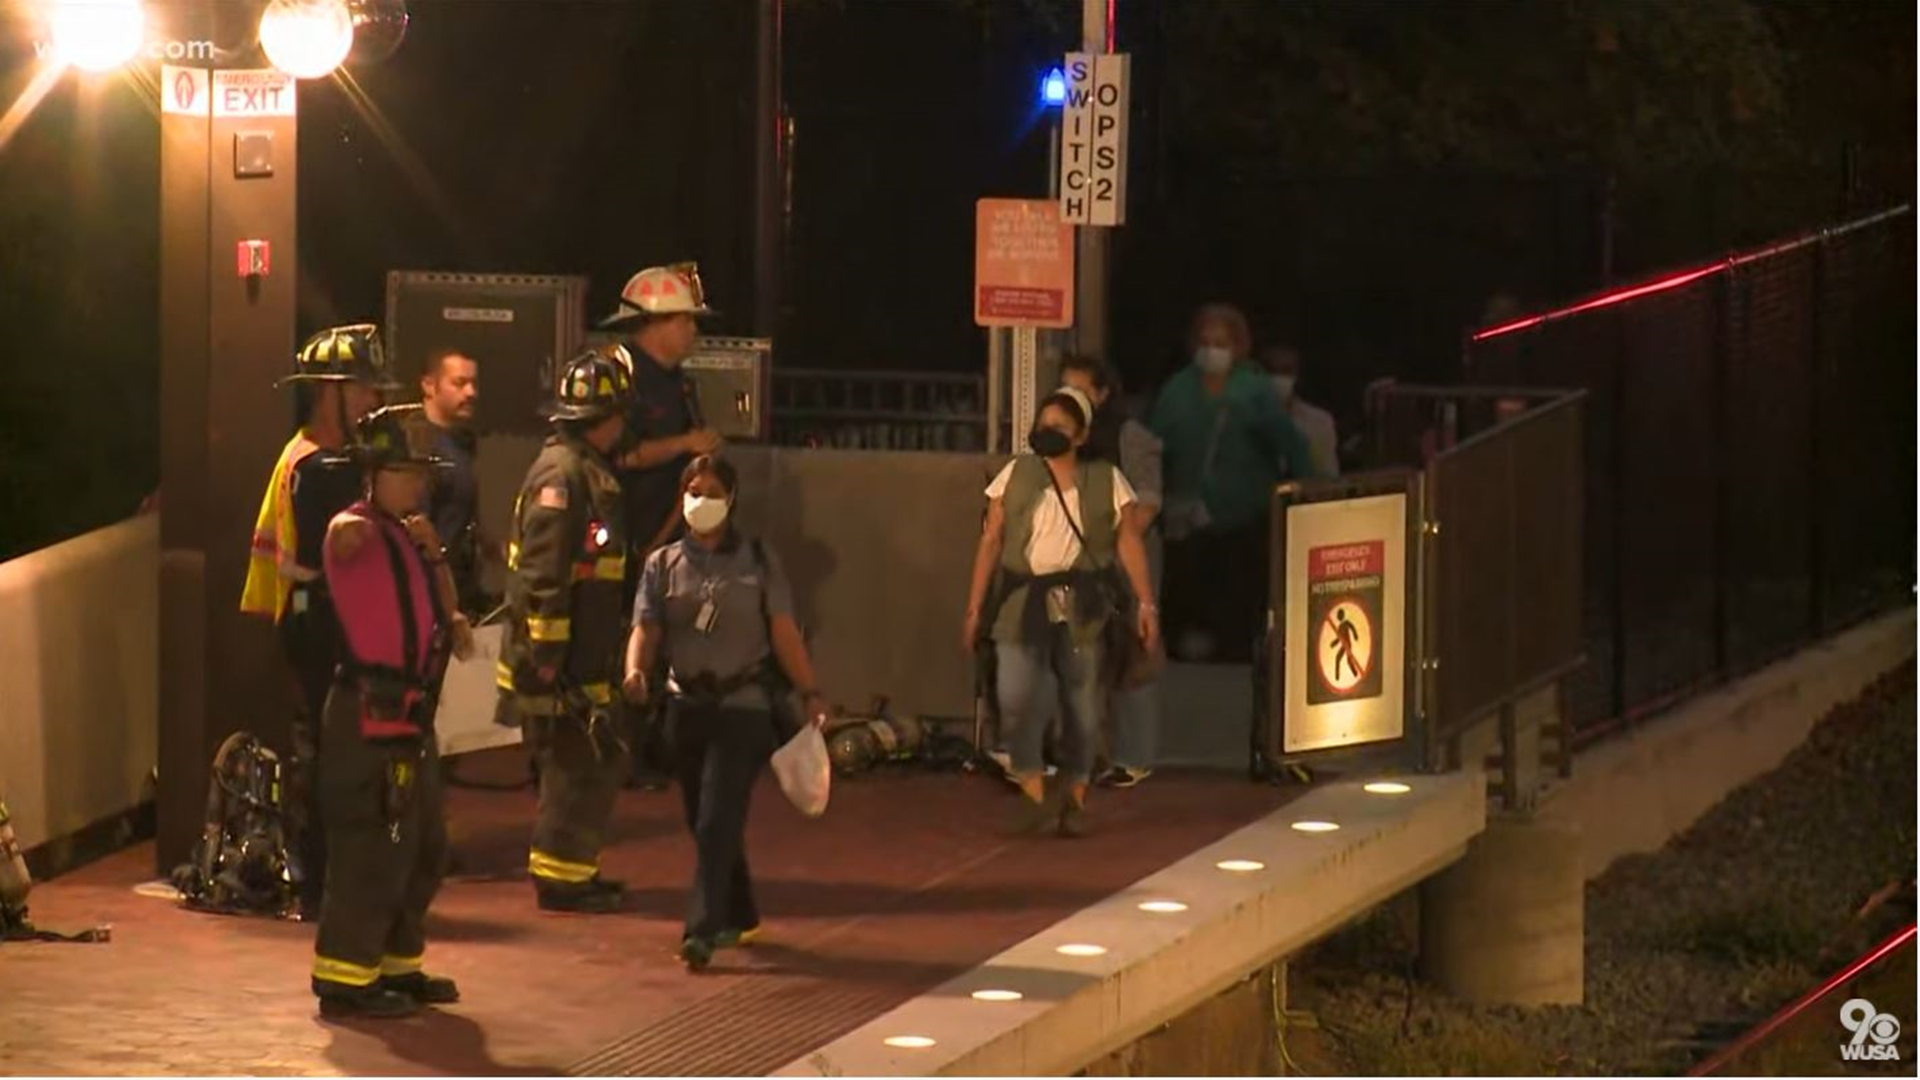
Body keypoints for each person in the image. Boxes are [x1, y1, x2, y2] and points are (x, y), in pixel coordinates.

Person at [624, 455, 830, 971]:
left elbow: (783, 630)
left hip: (744, 707)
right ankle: (740, 910)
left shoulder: (758, 560)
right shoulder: (662, 564)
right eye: (694, 490)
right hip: (686, 705)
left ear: (731, 499)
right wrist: (635, 670)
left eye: (712, 491)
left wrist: (809, 690)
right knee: (702, 819)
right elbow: (646, 627)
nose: (702, 500)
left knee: (718, 816)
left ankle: (702, 928)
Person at [308, 405, 473, 1019]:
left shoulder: (412, 534)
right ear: (373, 473)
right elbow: (340, 540)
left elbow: (446, 610)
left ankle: (397, 963)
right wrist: (353, 517)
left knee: (422, 843)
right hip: (365, 715)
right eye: (403, 471)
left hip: (410, 718)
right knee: (370, 846)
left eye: (420, 473)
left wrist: (435, 556)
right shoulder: (352, 527)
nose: (417, 483)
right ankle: (346, 979)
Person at [240, 322, 399, 917]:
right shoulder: (321, 468)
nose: (371, 399)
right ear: (326, 392)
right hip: (320, 621)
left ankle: (329, 878)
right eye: (359, 387)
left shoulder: (319, 459)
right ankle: (323, 881)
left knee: (331, 748)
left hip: (319, 617)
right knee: (331, 752)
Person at [963, 387, 1158, 837]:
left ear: (1082, 435)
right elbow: (991, 540)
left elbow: (1128, 542)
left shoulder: (1105, 479)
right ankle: (1033, 790)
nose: (1048, 434)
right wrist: (974, 607)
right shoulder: (1017, 474)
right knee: (1013, 697)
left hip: (1082, 604)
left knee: (1082, 703)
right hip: (1020, 600)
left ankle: (1075, 796)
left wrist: (1147, 604)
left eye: (1060, 428)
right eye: (1044, 425)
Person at [495, 346, 634, 914]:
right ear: (606, 418)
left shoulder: (584, 469)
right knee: (574, 767)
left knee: (593, 761)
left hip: (583, 652)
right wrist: (549, 658)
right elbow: (544, 576)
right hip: (560, 658)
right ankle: (560, 880)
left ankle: (576, 868)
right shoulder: (563, 475)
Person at [599, 263, 725, 790]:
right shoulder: (618, 375)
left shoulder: (677, 383)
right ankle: (612, 753)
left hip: (667, 540)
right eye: (685, 320)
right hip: (623, 540)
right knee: (617, 651)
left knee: (659, 646)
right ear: (653, 323)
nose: (694, 331)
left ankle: (649, 747)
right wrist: (683, 446)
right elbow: (616, 454)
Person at [1151, 303, 1317, 663]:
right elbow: (1155, 446)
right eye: (1206, 341)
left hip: (1243, 514)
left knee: (1238, 587)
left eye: (1222, 342)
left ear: (1239, 346)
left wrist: (1314, 493)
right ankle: (1184, 641)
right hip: (1187, 514)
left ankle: (1235, 645)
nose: (1213, 350)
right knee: (1186, 582)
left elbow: (1291, 444)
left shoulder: (1254, 391)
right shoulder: (1177, 391)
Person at [1060, 355, 1165, 790]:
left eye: (1081, 390)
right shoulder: (1065, 436)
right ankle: (1090, 753)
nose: (1071, 398)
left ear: (1102, 394)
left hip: (1126, 555)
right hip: (1079, 558)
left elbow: (1148, 501)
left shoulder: (1129, 436)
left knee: (1132, 651)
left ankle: (1134, 756)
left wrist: (1113, 546)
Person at [405, 348, 490, 616]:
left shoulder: (460, 444)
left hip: (459, 593)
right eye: (459, 383)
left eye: (474, 384)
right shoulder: (416, 447)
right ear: (429, 385)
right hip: (429, 600)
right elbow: (415, 531)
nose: (471, 393)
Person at [1258, 345, 1340, 479]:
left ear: (1297, 376)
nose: (1279, 378)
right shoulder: (1245, 419)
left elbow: (1328, 475)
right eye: (1272, 371)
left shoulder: (1319, 422)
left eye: (1286, 370)